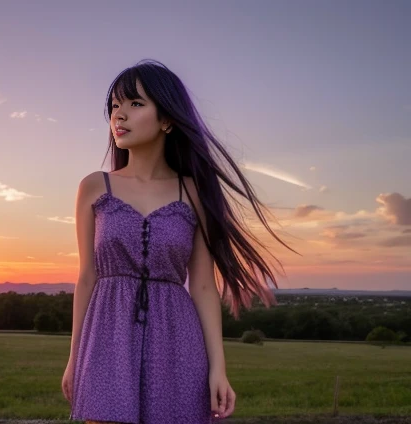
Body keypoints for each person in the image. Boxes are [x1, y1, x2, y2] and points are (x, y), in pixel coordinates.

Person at [61, 59, 295, 423]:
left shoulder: (193, 193)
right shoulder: (94, 187)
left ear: (167, 120)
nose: (119, 115)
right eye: (114, 106)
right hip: (107, 336)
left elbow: (203, 285)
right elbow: (87, 276)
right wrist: (75, 357)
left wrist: (218, 368)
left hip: (176, 339)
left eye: (135, 104)